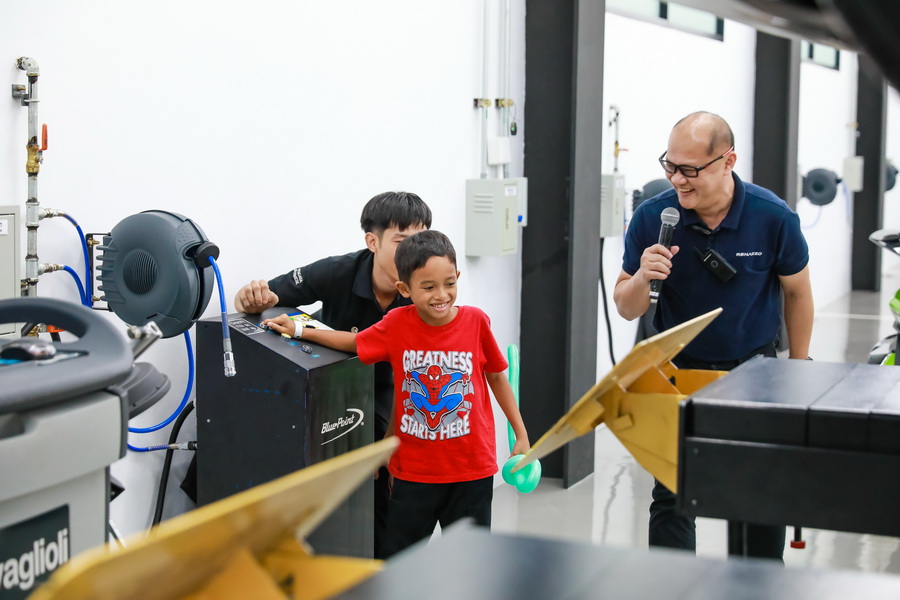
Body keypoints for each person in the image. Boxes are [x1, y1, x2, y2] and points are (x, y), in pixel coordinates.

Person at [613, 111, 814, 561]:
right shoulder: (653, 217)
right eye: (670, 166)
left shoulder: (773, 217)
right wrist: (643, 276)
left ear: (728, 161)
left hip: (754, 372)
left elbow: (797, 292)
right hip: (676, 372)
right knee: (673, 495)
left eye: (690, 169)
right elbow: (625, 308)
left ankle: (758, 587)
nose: (677, 180)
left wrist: (799, 369)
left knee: (757, 495)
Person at [263, 230, 530, 558]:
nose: (441, 295)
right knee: (400, 564)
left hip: (471, 472)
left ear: (458, 277)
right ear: (406, 289)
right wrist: (301, 328)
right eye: (428, 287)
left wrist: (521, 433)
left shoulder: (475, 322)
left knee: (469, 564)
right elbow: (351, 343)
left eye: (449, 283)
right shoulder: (396, 324)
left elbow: (497, 378)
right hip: (412, 474)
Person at [233, 190, 432, 559]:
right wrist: (249, 298)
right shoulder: (338, 271)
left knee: (394, 490)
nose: (412, 253)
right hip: (332, 391)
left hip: (394, 398)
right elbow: (265, 297)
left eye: (419, 241)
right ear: (372, 241)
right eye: (401, 241)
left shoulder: (426, 288)